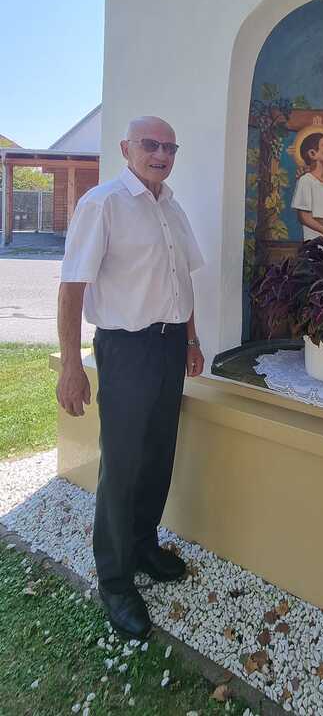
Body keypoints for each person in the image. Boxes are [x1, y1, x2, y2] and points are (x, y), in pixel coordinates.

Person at [56, 116, 204, 640]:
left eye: (170, 147)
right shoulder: (103, 204)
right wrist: (71, 365)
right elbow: (72, 287)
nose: (161, 154)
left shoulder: (171, 206)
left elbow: (182, 279)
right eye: (150, 144)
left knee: (159, 452)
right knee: (121, 465)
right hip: (126, 348)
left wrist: (191, 340)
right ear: (126, 149)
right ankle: (115, 582)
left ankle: (143, 545)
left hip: (169, 346)